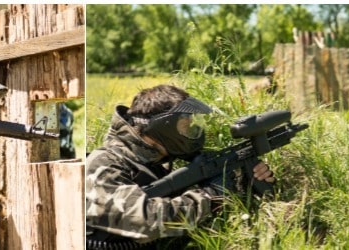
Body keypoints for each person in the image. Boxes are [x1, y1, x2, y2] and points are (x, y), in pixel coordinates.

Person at [85, 84, 275, 249]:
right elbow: (145, 220)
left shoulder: (155, 163)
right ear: (163, 127)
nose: (193, 132)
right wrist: (209, 197)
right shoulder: (104, 164)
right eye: (185, 126)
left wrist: (241, 185)